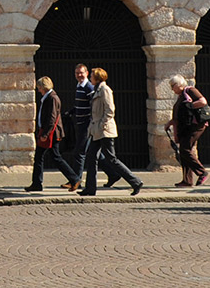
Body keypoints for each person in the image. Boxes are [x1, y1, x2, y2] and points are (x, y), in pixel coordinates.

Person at [79, 68, 143, 196]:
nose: (90, 77)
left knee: (111, 159)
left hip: (104, 130)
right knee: (91, 158)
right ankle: (90, 188)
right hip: (97, 130)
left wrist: (102, 125)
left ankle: (135, 181)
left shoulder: (105, 90)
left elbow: (110, 110)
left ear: (97, 77)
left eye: (91, 75)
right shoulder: (97, 89)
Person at [27, 76, 77, 192]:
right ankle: (37, 183)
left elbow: (52, 118)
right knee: (45, 157)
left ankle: (74, 178)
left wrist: (45, 134)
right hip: (48, 132)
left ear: (43, 87)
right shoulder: (48, 97)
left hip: (51, 134)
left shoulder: (52, 98)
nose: (38, 90)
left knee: (54, 157)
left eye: (39, 87)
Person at [165, 75, 210, 187]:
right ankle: (187, 180)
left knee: (185, 149)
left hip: (196, 125)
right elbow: (181, 114)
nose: (172, 89)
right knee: (184, 151)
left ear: (179, 84)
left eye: (173, 86)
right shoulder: (181, 96)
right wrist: (170, 123)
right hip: (187, 126)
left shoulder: (190, 90)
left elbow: (203, 101)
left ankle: (202, 172)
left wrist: (190, 106)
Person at [69, 63, 95, 185]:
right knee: (95, 152)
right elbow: (80, 104)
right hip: (80, 123)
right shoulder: (79, 85)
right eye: (77, 73)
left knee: (79, 152)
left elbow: (93, 105)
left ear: (87, 73)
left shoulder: (88, 87)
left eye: (81, 73)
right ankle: (113, 174)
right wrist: (72, 111)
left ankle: (76, 180)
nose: (79, 75)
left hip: (86, 124)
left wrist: (90, 121)